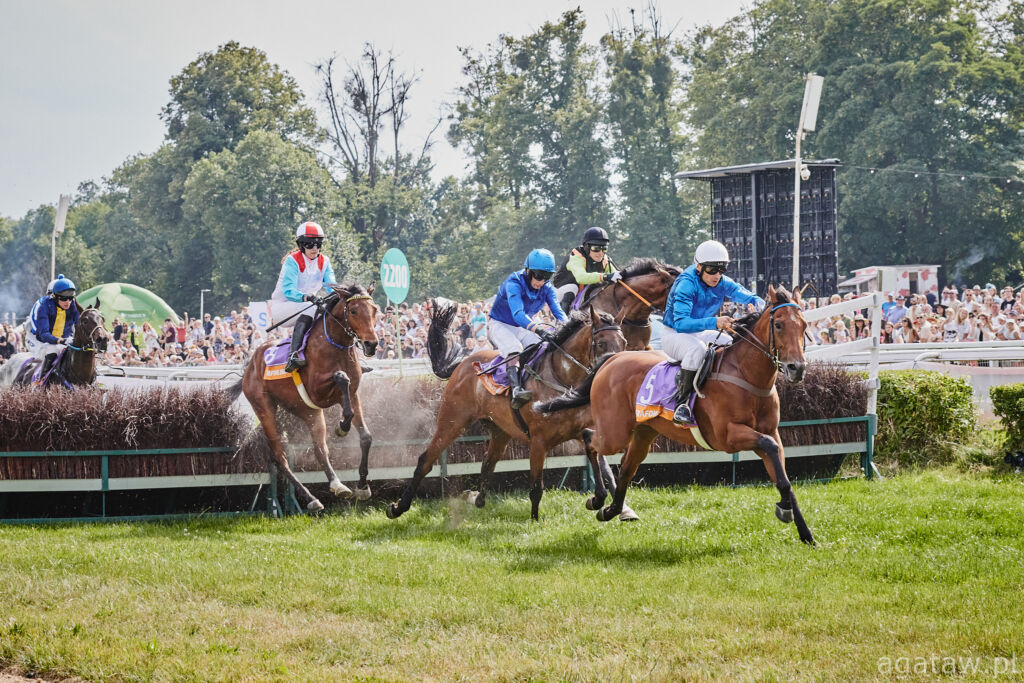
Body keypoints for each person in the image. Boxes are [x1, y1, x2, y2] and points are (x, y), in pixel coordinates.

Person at [661, 240, 765, 425]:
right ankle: (682, 404)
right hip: (674, 335)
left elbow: (749, 296)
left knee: (730, 343)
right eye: (712, 270)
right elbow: (682, 324)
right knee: (697, 350)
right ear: (699, 267)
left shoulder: (722, 282)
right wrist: (716, 322)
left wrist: (762, 307)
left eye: (722, 270)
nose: (717, 275)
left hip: (700, 332)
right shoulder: (686, 284)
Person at [487, 248, 569, 408]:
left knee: (542, 346)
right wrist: (538, 329)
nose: (541, 281)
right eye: (538, 275)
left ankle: (536, 381)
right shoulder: (513, 283)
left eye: (546, 277)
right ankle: (516, 390)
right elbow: (517, 314)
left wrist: (570, 325)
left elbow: (558, 311)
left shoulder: (547, 288)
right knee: (514, 347)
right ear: (527, 271)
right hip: (499, 324)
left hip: (522, 327)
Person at [269, 221, 337, 373]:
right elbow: (288, 290)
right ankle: (293, 355)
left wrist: (342, 295)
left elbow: (331, 285)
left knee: (335, 311)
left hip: (307, 305)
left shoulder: (324, 261)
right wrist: (307, 297)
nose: (315, 248)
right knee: (310, 308)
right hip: (282, 308)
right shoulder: (292, 260)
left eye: (318, 244)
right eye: (310, 244)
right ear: (301, 245)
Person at [552, 226, 621, 312]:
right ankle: (562, 323)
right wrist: (605, 276)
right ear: (587, 247)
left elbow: (617, 275)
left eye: (604, 249)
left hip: (583, 292)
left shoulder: (605, 260)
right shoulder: (576, 257)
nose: (600, 253)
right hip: (560, 291)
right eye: (596, 249)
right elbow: (581, 278)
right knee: (572, 288)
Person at [27, 274, 81, 378]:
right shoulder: (43, 306)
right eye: (64, 298)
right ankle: (40, 380)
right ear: (54, 296)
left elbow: (79, 323)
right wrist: (60, 340)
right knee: (54, 350)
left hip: (63, 340)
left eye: (70, 298)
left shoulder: (72, 305)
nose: (68, 302)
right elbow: (43, 334)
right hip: (39, 340)